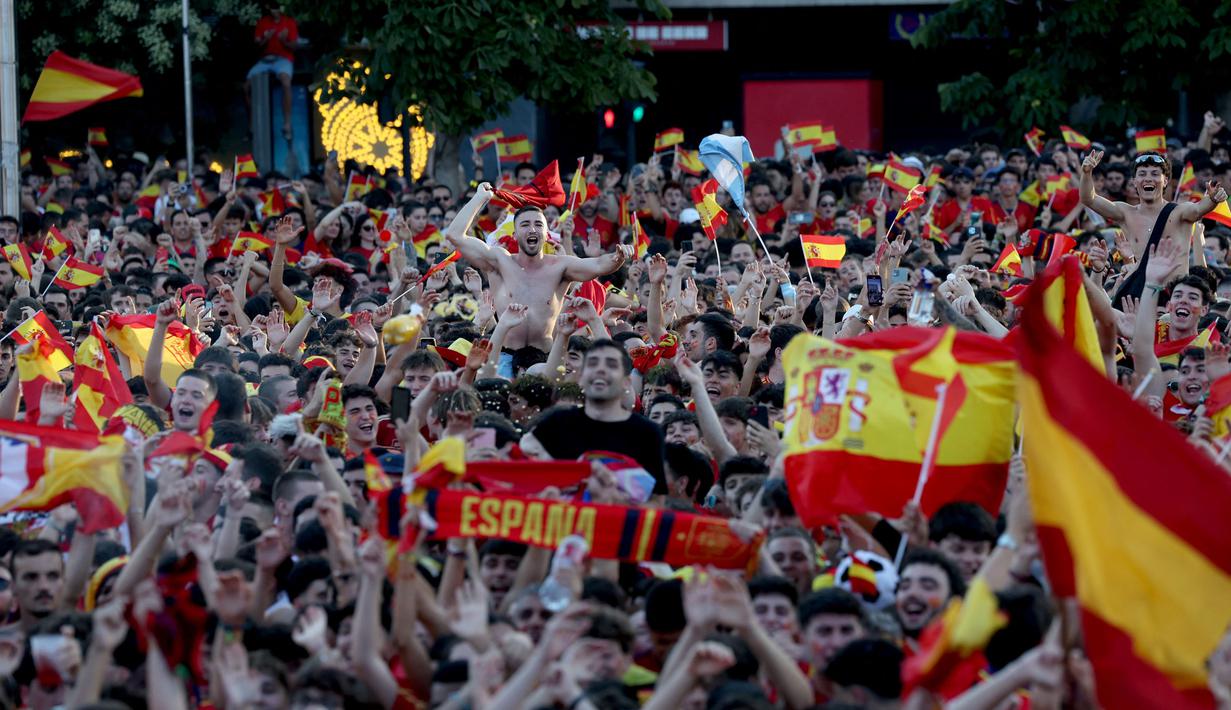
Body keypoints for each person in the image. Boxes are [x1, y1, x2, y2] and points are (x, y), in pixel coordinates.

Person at [444, 183, 632, 355]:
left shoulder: (561, 266)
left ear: (546, 234)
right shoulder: (499, 261)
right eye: (525, 225)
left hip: (545, 359)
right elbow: (455, 235)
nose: (532, 229)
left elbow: (599, 264)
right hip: (504, 357)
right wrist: (480, 198)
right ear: (515, 234)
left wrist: (619, 256)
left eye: (538, 224)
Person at [523, 339, 668, 494]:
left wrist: (614, 498)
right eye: (592, 364)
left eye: (611, 365)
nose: (600, 370)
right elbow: (523, 478)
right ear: (581, 377)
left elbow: (656, 500)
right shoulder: (555, 423)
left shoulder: (647, 434)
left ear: (626, 382)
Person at [246, 3, 300, 141]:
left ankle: (287, 124)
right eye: (272, 8)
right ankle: (251, 124)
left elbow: (294, 46)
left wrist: (283, 40)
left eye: (276, 8)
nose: (274, 11)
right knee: (246, 87)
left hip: (283, 59)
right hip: (265, 60)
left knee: (286, 83)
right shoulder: (262, 22)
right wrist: (266, 38)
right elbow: (257, 44)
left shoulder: (289, 22)